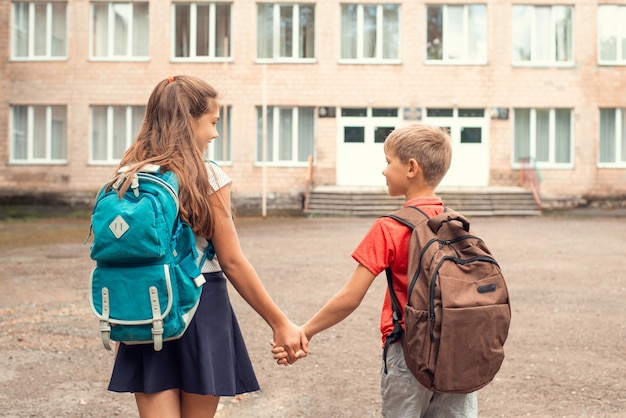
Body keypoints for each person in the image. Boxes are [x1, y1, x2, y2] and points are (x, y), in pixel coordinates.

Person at [107, 75, 308, 418]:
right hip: (199, 304)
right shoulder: (206, 175)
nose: (215, 133)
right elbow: (231, 260)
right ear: (189, 121)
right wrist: (279, 322)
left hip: (145, 306)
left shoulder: (128, 174)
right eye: (213, 122)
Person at [273, 124, 477, 417]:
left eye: (388, 161)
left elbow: (350, 296)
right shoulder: (456, 222)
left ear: (411, 168)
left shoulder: (390, 226)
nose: (383, 171)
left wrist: (305, 331)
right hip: (458, 348)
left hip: (410, 350)